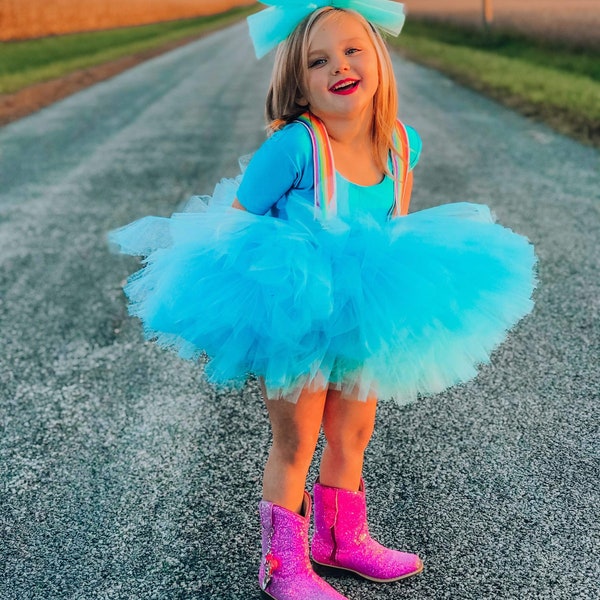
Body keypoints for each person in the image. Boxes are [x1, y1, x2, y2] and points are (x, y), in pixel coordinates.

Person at [109, 2, 537, 599]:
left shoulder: (399, 142)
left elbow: (396, 222)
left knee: (354, 430)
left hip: (363, 308)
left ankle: (340, 541)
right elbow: (236, 232)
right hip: (297, 314)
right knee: (298, 438)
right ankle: (281, 568)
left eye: (352, 50)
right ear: (300, 82)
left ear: (378, 59)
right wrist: (277, 293)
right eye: (319, 60)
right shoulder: (294, 148)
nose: (340, 66)